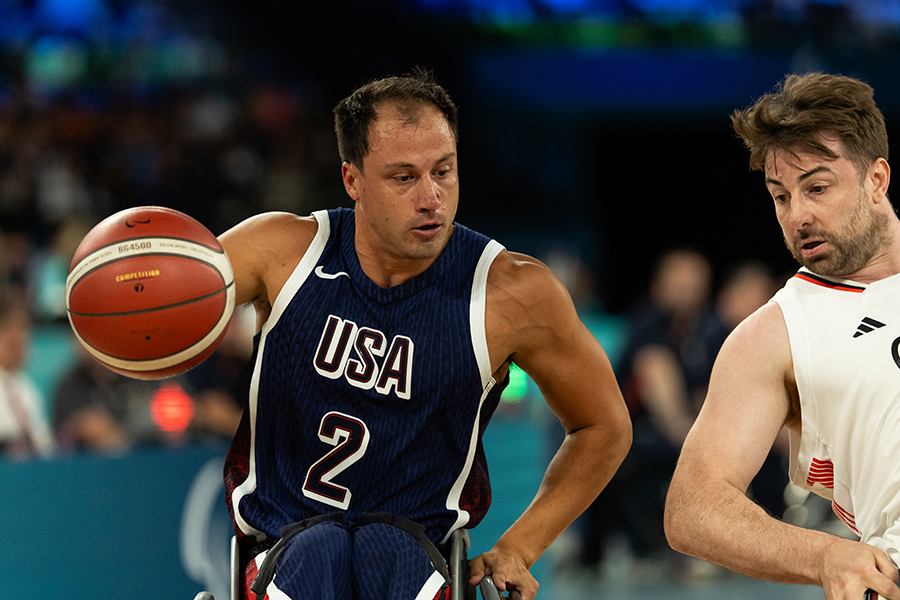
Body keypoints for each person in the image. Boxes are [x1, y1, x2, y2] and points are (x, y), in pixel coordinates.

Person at [217, 68, 632, 600]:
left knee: (384, 549)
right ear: (353, 181)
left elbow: (605, 425)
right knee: (320, 553)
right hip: (280, 548)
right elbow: (164, 313)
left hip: (418, 557)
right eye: (403, 177)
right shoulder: (279, 251)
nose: (431, 197)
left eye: (444, 171)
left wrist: (520, 546)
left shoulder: (513, 291)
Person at [664, 71, 900, 600]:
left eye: (817, 187)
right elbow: (691, 507)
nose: (799, 216)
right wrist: (825, 554)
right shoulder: (776, 333)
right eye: (780, 196)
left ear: (876, 179)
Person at [0, 291, 54, 458]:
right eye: (8, 328)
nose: (17, 336)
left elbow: (47, 449)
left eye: (23, 329)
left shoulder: (29, 391)